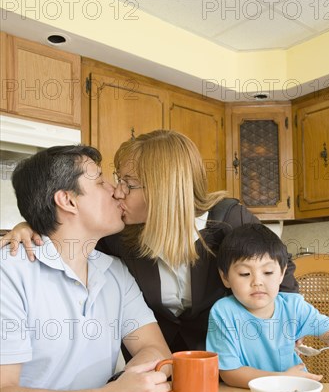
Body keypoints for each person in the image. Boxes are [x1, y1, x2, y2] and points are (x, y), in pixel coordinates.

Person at [0, 130, 299, 361]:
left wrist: (283, 338)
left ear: (163, 189)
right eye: (116, 180)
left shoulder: (228, 220)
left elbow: (279, 276)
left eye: (128, 182)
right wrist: (29, 225)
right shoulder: (117, 237)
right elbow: (68, 232)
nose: (118, 191)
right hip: (155, 365)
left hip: (231, 357)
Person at [0, 145, 171, 392]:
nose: (116, 191)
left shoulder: (114, 272)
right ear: (67, 201)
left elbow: (154, 349)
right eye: (101, 181)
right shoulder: (9, 272)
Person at [206, 224, 329, 388]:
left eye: (268, 272)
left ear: (281, 273)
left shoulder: (294, 306)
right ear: (225, 277)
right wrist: (280, 379)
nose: (257, 282)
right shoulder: (223, 312)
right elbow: (229, 373)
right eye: (245, 273)